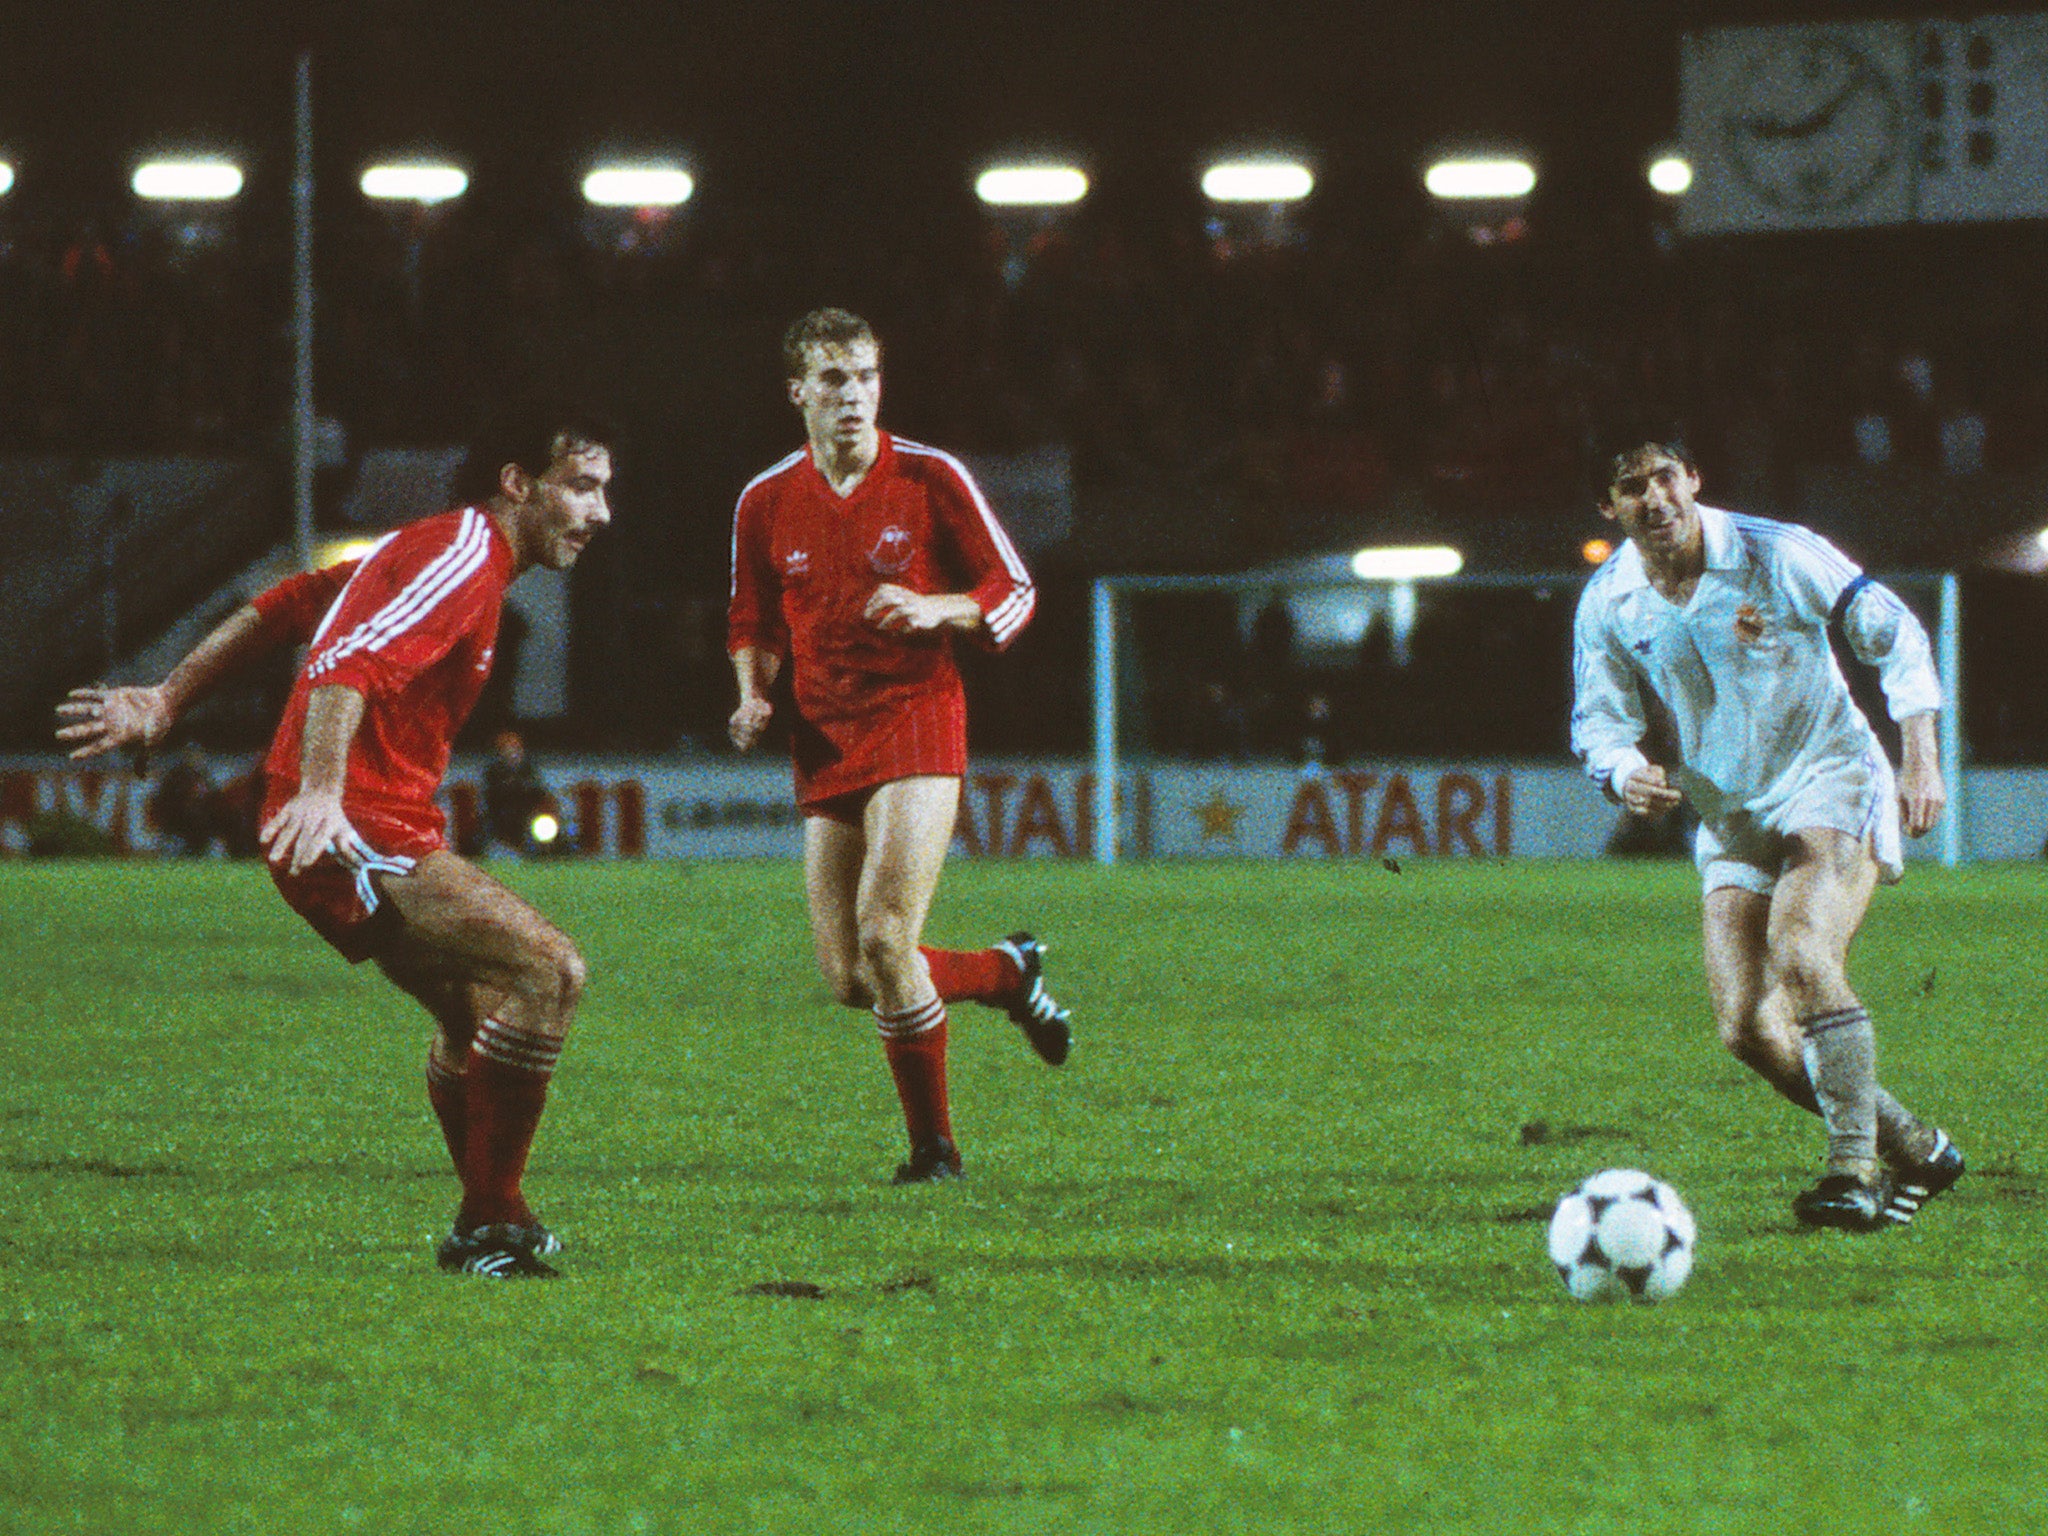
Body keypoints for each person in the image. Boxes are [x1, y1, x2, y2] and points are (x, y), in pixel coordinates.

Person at [57, 407, 615, 1278]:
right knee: (551, 972)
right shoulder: (467, 559)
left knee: (471, 1015)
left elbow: (289, 605)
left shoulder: (438, 547)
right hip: (351, 823)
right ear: (518, 483)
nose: (599, 511)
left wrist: (169, 696)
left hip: (364, 818)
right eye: (582, 486)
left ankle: (495, 1215)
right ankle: (487, 1224)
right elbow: (341, 664)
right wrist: (322, 794)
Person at [1571, 437, 1964, 1233]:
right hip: (1729, 808)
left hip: (1831, 774)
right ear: (1608, 508)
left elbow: (1894, 634)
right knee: (1747, 1027)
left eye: (1666, 479)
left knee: (1803, 952)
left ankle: (1853, 1172)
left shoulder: (1774, 552)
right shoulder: (1610, 600)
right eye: (1631, 488)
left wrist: (1919, 761)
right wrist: (1621, 770)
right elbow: (1599, 721)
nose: (1655, 499)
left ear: (1694, 481)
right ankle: (1915, 1146)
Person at [727, 307, 1071, 1184]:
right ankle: (1003, 972)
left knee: (886, 938)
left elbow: (1014, 587)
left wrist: (939, 609)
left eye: (868, 376)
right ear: (797, 391)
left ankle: (935, 1153)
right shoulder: (764, 500)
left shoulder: (928, 476)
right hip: (824, 733)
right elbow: (753, 618)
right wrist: (753, 692)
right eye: (835, 379)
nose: (855, 395)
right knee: (850, 977)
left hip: (918, 719)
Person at [479, 728, 556, 859]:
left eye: (514, 746)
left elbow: (540, 793)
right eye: (506, 747)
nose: (511, 751)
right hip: (501, 827)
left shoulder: (529, 770)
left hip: (529, 824)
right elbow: (492, 800)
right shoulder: (493, 772)